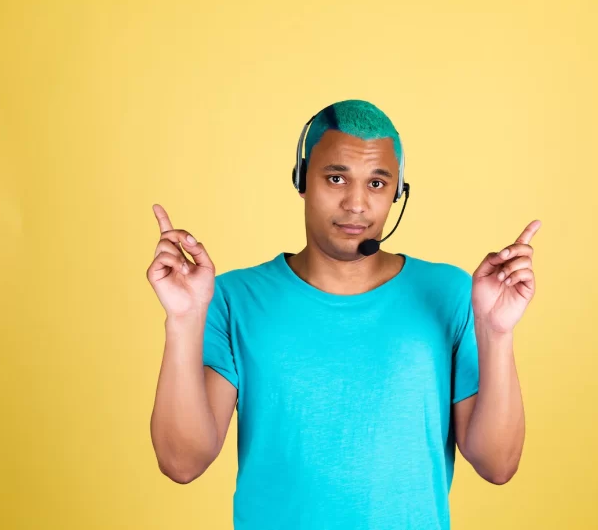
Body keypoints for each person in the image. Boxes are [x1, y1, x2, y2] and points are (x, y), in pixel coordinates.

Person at [147, 99, 540, 529]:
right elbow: (182, 462)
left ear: (398, 193)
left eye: (376, 183)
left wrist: (496, 332)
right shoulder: (232, 297)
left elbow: (497, 465)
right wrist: (183, 320)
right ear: (301, 180)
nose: (356, 204)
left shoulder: (450, 293)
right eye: (337, 178)